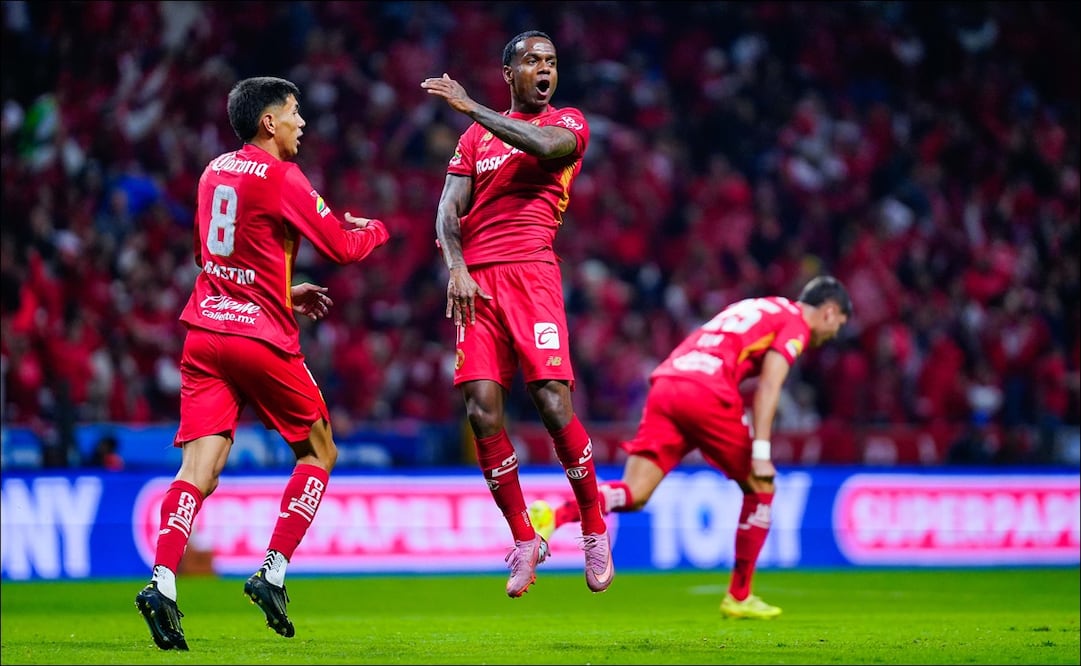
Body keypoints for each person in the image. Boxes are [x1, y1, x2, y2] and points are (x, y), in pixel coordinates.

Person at [134, 76, 390, 650]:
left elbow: (209, 256)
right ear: (269, 122)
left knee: (198, 472)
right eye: (294, 112)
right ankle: (272, 571)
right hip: (259, 340)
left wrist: (281, 290)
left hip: (204, 334)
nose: (302, 122)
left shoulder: (212, 171)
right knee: (319, 451)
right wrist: (377, 229)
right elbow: (341, 247)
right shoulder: (282, 176)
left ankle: (163, 581)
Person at [530, 276, 853, 618]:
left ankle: (554, 515)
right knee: (762, 486)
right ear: (830, 312)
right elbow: (770, 386)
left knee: (634, 493)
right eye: (839, 325)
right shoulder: (796, 323)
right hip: (707, 390)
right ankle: (739, 596)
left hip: (669, 382)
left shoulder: (762, 306)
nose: (834, 334)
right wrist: (761, 453)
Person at [420, 30, 613, 597]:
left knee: (553, 404)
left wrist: (470, 107)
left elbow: (545, 146)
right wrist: (456, 267)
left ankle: (594, 525)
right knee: (481, 411)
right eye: (532, 61)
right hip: (476, 283)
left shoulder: (569, 122)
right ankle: (526, 538)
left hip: (532, 274)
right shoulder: (473, 140)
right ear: (510, 73)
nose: (544, 68)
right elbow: (447, 209)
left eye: (550, 61)